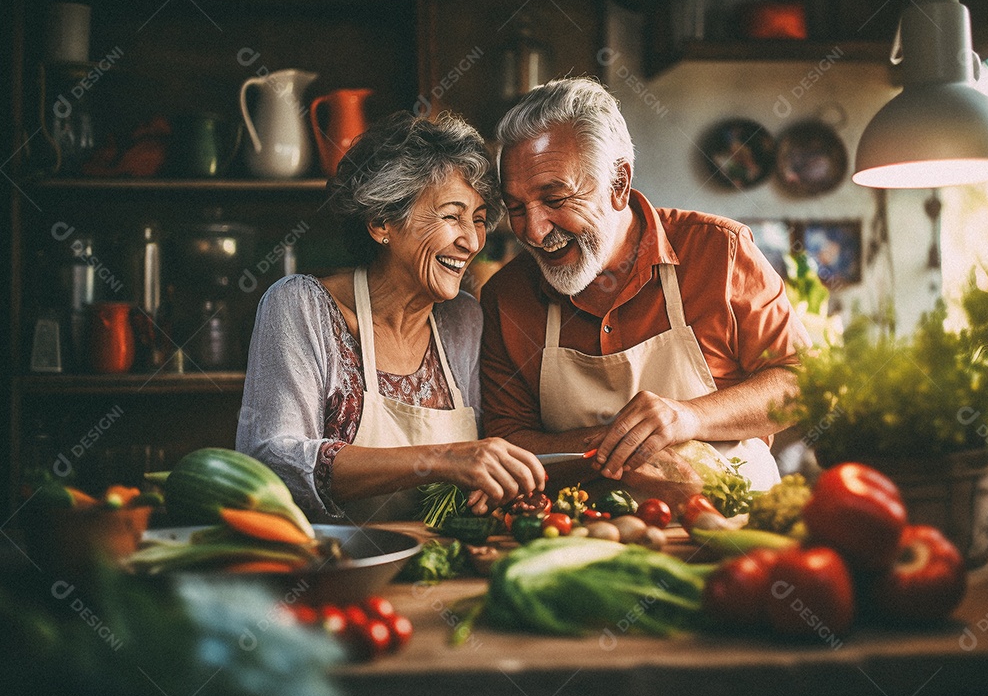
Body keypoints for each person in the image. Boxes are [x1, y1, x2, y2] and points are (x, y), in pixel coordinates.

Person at [478, 77, 809, 509]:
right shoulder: (507, 295)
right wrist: (614, 441)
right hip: (583, 539)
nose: (534, 232)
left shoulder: (719, 252)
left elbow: (802, 382)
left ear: (618, 182)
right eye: (517, 208)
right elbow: (506, 441)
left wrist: (688, 417)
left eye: (555, 199)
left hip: (729, 529)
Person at [236, 111, 545, 524]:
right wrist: (442, 458)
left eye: (478, 219)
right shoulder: (301, 307)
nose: (471, 241)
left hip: (445, 564)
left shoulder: (464, 319)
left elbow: (480, 460)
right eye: (452, 215)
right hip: (337, 568)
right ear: (382, 221)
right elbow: (271, 460)